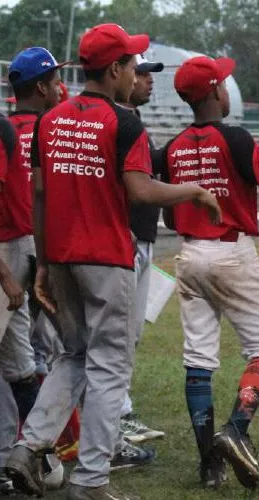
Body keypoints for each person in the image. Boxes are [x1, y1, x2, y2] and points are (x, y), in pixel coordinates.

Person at [4, 23, 220, 500]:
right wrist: (195, 190)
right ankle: (91, 481)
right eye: (131, 66)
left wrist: (42, 264)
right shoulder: (124, 123)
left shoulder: (50, 119)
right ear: (117, 69)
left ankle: (27, 447)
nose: (135, 75)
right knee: (109, 368)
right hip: (106, 258)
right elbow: (141, 189)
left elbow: (39, 193)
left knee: (73, 356)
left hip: (59, 257)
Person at [158, 55, 259, 490]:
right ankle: (236, 430)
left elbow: (170, 217)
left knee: (198, 360)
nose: (227, 90)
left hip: (189, 255)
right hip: (232, 252)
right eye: (224, 83)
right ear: (213, 91)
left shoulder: (171, 147)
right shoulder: (236, 138)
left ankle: (210, 467)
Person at [0, 47, 65, 493]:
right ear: (41, 86)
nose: (62, 86)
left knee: (23, 359)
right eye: (56, 79)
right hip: (13, 251)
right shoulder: (34, 129)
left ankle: (21, 454)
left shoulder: (23, 127)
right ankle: (39, 454)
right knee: (32, 357)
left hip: (24, 249)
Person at [118, 53, 166, 445]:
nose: (148, 80)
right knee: (120, 333)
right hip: (126, 239)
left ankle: (120, 410)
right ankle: (118, 414)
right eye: (142, 73)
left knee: (130, 333)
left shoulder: (133, 121)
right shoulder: (122, 122)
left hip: (141, 237)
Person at [0, 112, 29, 494]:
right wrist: (6, 275)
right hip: (7, 250)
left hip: (15, 246)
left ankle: (9, 455)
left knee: (15, 362)